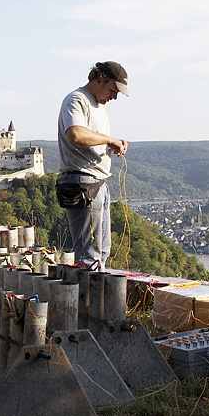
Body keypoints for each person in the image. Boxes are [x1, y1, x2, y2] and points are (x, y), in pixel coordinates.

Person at [56, 61, 129, 270]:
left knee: (102, 251)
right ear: (99, 79)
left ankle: (97, 298)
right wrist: (108, 140)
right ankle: (86, 302)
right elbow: (76, 134)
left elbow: (93, 138)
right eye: (113, 90)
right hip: (82, 184)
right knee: (89, 257)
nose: (114, 97)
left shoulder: (99, 105)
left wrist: (110, 145)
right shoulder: (77, 100)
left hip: (98, 184)